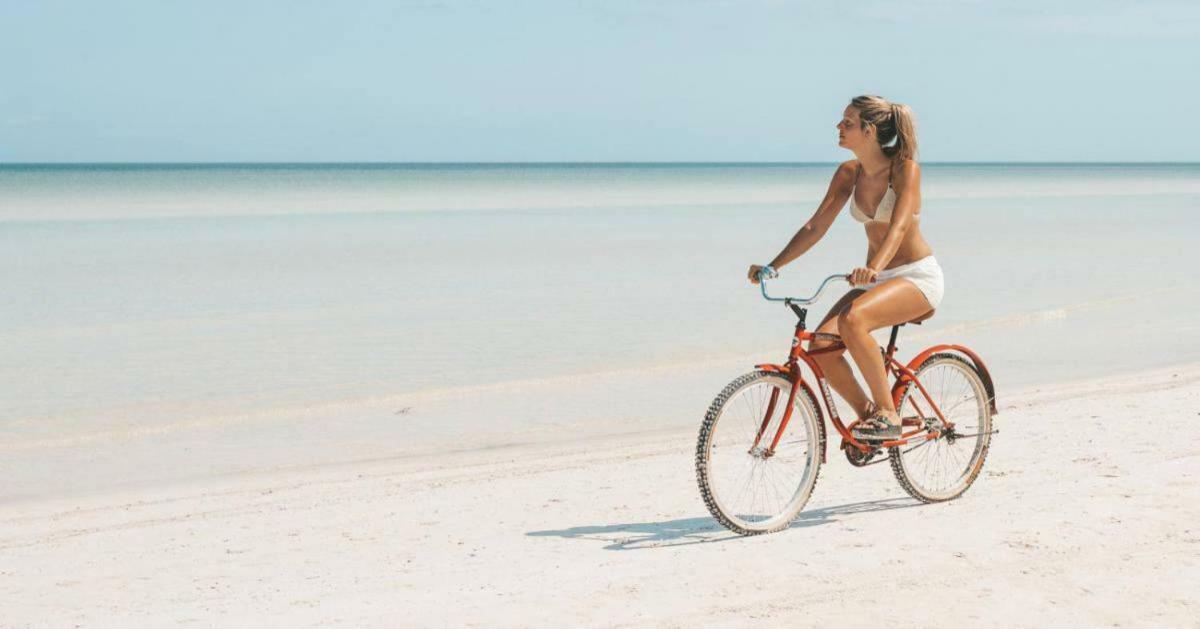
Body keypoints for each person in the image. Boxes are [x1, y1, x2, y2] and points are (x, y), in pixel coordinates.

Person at [747, 95, 944, 442]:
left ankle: (888, 414)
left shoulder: (905, 169)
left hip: (916, 277)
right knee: (821, 346)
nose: (839, 127)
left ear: (868, 131)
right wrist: (772, 266)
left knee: (853, 321)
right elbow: (815, 227)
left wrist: (874, 268)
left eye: (847, 122)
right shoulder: (848, 174)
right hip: (876, 280)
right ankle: (869, 418)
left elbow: (898, 228)